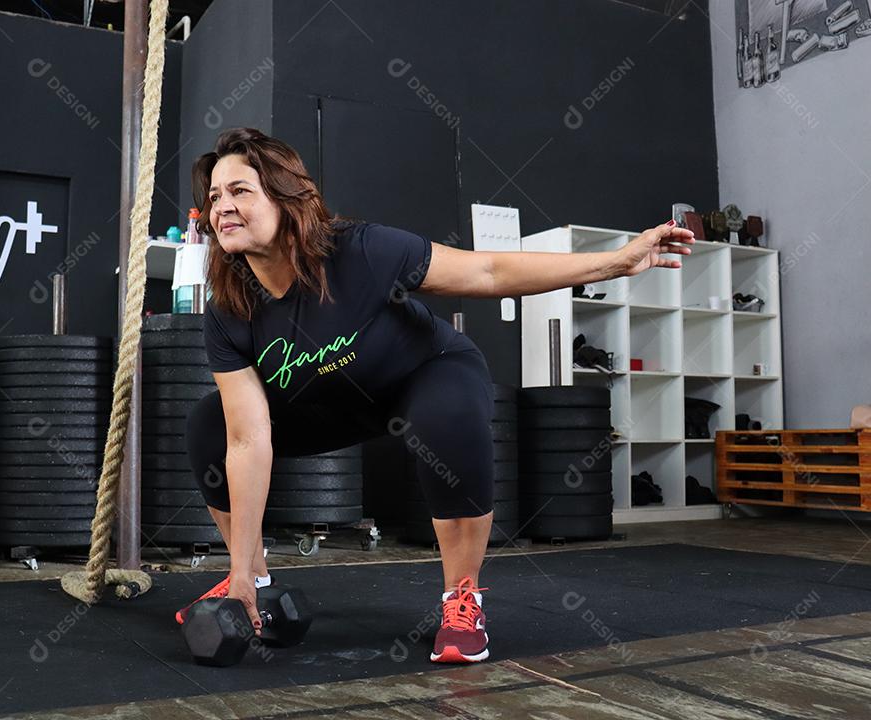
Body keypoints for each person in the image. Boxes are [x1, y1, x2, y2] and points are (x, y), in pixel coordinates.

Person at [176, 127, 694, 663]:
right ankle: (251, 582)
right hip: (335, 403)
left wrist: (614, 262)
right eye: (214, 196)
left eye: (240, 191)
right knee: (209, 426)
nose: (222, 207)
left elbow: (488, 269)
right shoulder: (230, 307)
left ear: (286, 196)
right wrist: (239, 569)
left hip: (424, 373)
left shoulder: (363, 251)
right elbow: (246, 437)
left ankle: (461, 598)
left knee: (446, 417)